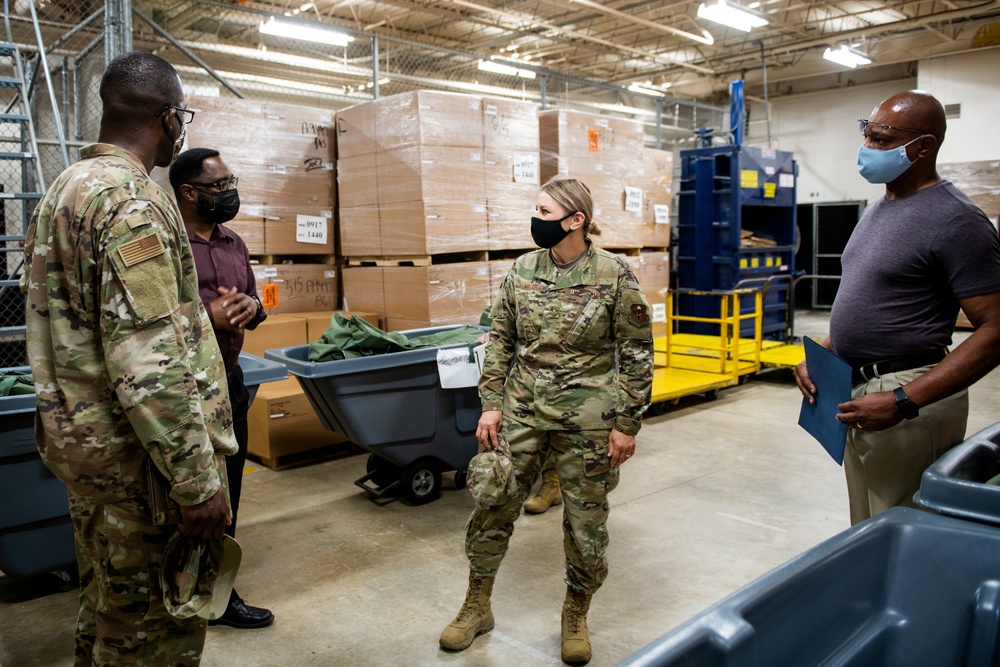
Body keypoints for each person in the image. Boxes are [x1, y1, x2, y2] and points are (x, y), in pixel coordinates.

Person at [21, 51, 237, 665]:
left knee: (108, 608)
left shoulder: (68, 187)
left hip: (87, 451)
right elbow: (148, 358)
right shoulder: (132, 202)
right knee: (151, 630)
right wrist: (195, 482)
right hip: (139, 463)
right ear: (171, 119)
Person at [440, 177, 654, 665]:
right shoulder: (522, 270)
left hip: (588, 421)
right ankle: (477, 605)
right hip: (520, 412)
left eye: (543, 210)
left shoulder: (614, 275)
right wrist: (491, 401)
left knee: (585, 523)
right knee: (492, 504)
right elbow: (500, 339)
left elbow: (638, 353)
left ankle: (575, 613)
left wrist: (627, 423)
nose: (535, 218)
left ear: (575, 220)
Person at [795, 90, 1000, 525]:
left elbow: (994, 329)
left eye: (882, 140)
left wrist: (905, 400)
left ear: (923, 146)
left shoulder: (957, 220)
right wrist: (824, 353)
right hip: (858, 391)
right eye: (866, 135)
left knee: (907, 527)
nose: (868, 149)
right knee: (868, 525)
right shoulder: (878, 210)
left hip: (907, 396)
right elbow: (880, 301)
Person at [169, 148, 274, 629]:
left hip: (228, 382)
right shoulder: (167, 244)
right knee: (186, 494)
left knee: (228, 489)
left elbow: (256, 297)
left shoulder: (234, 243)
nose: (230, 192)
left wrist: (252, 307)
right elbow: (142, 324)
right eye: (219, 186)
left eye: (233, 181)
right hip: (180, 387)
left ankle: (217, 592)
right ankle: (173, 590)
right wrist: (206, 318)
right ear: (189, 192)